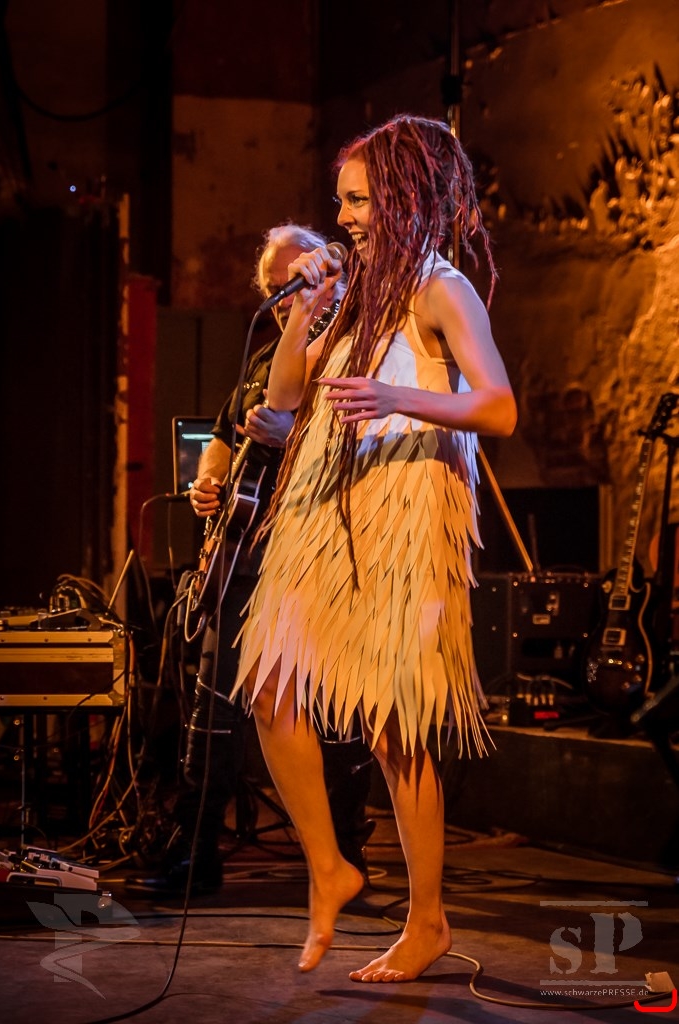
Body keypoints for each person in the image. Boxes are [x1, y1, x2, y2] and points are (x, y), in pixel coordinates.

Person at [230, 114, 518, 982]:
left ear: (402, 196)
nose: (343, 216)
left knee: (398, 726)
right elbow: (286, 398)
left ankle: (426, 921)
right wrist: (304, 310)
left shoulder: (441, 289)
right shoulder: (358, 290)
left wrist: (400, 395)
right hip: (326, 504)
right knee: (269, 681)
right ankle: (329, 867)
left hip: (404, 510)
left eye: (357, 200)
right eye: (341, 201)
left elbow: (499, 407)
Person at [132, 224, 374, 895]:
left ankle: (344, 858)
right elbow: (220, 432)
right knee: (212, 703)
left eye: (293, 281)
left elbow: (370, 439)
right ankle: (195, 852)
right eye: (273, 287)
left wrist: (293, 434)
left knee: (334, 708)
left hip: (321, 548)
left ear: (329, 274)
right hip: (243, 550)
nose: (283, 296)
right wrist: (206, 482)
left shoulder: (359, 343)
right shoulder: (269, 352)